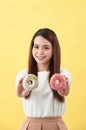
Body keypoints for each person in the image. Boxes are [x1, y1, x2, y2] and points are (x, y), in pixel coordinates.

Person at [16, 28, 72, 130]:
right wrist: (24, 87)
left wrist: (63, 85)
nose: (40, 52)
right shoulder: (24, 75)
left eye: (46, 48)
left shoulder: (63, 74)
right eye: (36, 47)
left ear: (54, 50)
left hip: (55, 126)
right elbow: (21, 93)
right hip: (30, 126)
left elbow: (64, 92)